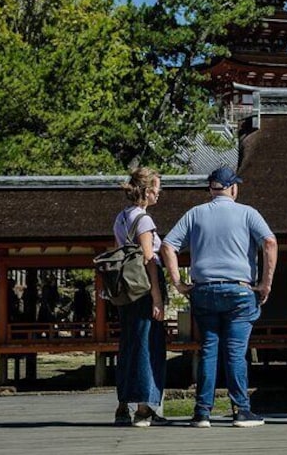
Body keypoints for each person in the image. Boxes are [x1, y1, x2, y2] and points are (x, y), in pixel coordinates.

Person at [161, 166, 277, 429]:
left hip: (204, 289)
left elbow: (168, 245)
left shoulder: (195, 214)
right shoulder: (248, 213)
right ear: (233, 188)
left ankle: (202, 412)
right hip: (239, 289)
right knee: (236, 352)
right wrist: (265, 284)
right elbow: (269, 243)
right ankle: (241, 410)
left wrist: (178, 282)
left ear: (210, 189)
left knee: (209, 350)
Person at [112, 167, 171, 428]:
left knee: (129, 344)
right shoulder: (144, 220)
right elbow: (149, 258)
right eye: (157, 187)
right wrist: (157, 297)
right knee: (149, 344)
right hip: (145, 288)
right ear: (147, 191)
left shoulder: (120, 218)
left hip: (126, 289)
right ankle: (144, 409)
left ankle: (123, 404)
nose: (160, 192)